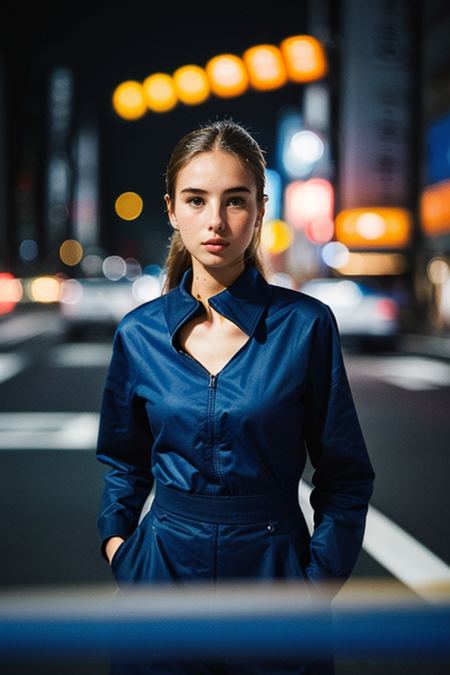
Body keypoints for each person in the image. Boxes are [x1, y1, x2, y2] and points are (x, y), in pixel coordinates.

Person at [96, 119, 375, 674]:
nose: (216, 221)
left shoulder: (306, 326)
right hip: (161, 575)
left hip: (276, 579)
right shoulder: (139, 333)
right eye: (196, 200)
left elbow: (344, 475)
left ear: (260, 208)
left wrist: (315, 583)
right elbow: (122, 462)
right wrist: (121, 550)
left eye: (235, 201)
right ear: (172, 210)